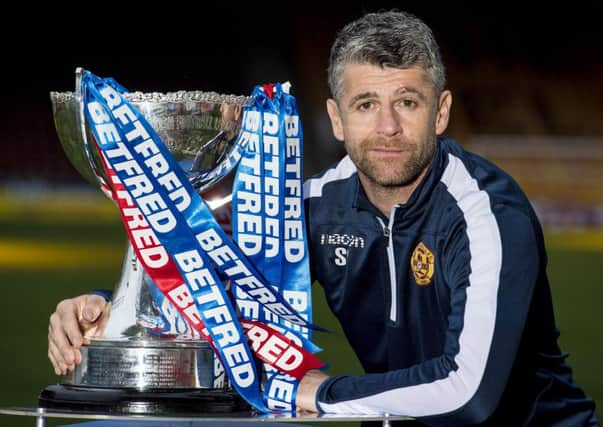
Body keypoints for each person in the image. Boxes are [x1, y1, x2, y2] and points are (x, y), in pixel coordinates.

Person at [47, 10, 598, 426]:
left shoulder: (487, 213)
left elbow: (469, 392)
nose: (387, 128)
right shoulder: (315, 204)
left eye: (407, 102)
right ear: (335, 117)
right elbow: (202, 276)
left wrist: (321, 393)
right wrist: (110, 309)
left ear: (442, 112)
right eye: (365, 105)